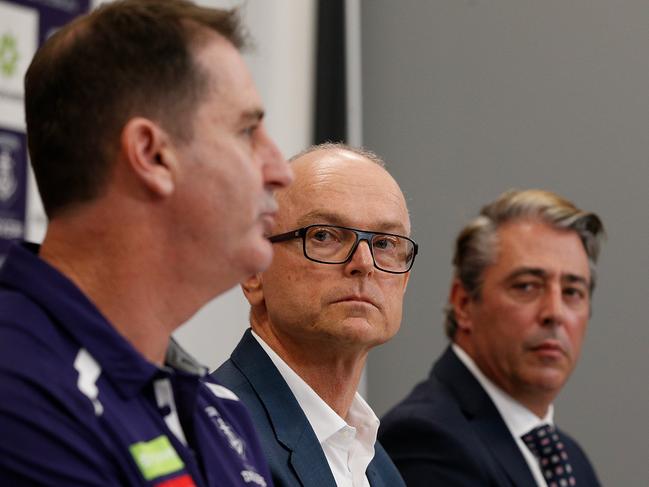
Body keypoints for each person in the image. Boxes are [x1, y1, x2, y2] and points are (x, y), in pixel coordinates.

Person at [0, 1, 293, 485]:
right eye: (247, 131)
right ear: (153, 155)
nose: (280, 170)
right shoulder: (21, 392)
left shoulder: (217, 410)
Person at [212, 143, 414, 487]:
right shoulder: (215, 440)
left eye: (384, 244)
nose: (364, 264)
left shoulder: (378, 462)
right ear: (253, 271)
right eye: (324, 235)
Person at [379, 189, 604, 486]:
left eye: (573, 292)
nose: (555, 312)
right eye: (527, 286)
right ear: (463, 304)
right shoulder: (425, 437)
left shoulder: (572, 459)